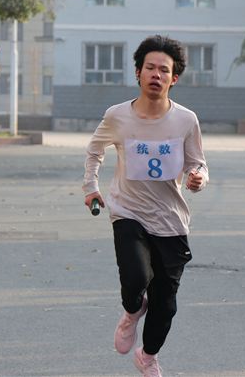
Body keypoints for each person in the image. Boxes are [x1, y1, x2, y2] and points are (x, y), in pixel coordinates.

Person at [82, 35, 208, 377]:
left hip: (171, 220)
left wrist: (197, 177)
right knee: (136, 277)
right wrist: (91, 188)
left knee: (166, 306)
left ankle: (148, 356)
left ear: (174, 78)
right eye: (149, 68)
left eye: (163, 70)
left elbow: (197, 163)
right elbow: (95, 150)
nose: (156, 74)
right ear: (137, 73)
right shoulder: (117, 116)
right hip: (128, 211)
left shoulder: (186, 120)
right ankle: (132, 311)